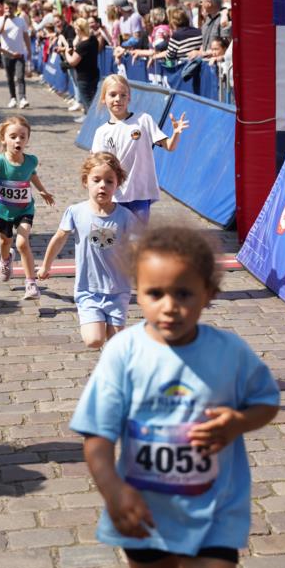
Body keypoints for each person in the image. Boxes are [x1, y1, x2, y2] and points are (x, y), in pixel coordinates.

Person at [70, 225, 279, 568]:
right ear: (135, 293)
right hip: (145, 515)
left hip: (214, 513)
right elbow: (95, 436)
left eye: (184, 293)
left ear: (208, 294)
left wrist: (238, 421)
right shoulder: (122, 353)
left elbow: (265, 401)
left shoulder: (230, 354)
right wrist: (114, 490)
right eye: (155, 293)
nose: (170, 306)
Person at [38, 152, 137, 348]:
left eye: (109, 181)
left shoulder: (126, 216)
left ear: (117, 184)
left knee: (115, 343)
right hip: (88, 290)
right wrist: (45, 266)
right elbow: (59, 239)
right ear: (86, 181)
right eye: (96, 180)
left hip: (118, 290)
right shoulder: (76, 212)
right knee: (94, 340)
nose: (103, 185)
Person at [0, 116, 55, 300]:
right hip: (4, 212)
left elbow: (31, 174)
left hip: (25, 209)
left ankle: (31, 284)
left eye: (22, 137)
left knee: (22, 243)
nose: (18, 140)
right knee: (5, 242)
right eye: (13, 136)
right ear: (3, 139)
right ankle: (5, 260)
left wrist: (43, 191)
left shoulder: (31, 160)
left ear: (27, 139)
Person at [91, 75, 189, 222]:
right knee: (117, 238)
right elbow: (97, 167)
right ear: (104, 98)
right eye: (113, 95)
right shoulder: (101, 132)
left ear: (129, 98)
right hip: (115, 195)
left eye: (123, 95)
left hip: (140, 193)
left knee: (139, 239)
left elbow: (170, 146)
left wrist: (175, 134)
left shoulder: (143, 120)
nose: (118, 99)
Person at [59, 17, 100, 119]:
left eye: (76, 29)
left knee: (87, 101)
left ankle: (90, 122)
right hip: (94, 74)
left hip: (84, 77)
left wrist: (66, 53)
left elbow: (72, 62)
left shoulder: (83, 45)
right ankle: (87, 117)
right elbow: (75, 44)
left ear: (79, 29)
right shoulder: (93, 40)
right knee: (92, 100)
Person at [0, 0, 32, 109]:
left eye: (10, 8)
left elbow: (26, 36)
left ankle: (23, 98)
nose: (8, 10)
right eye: (6, 8)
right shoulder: (0, 20)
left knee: (20, 76)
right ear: (3, 9)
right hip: (6, 53)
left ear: (15, 9)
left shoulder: (20, 21)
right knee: (10, 77)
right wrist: (5, 20)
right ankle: (13, 98)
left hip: (19, 53)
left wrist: (29, 50)